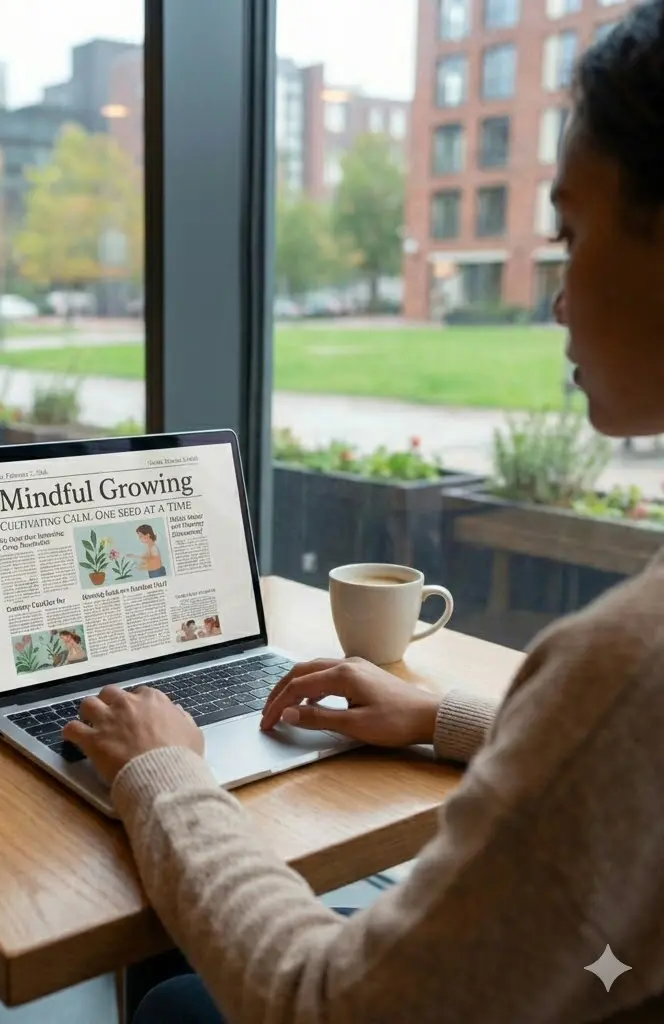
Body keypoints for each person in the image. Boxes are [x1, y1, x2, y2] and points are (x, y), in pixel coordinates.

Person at [62, 7, 664, 1021]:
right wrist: (439, 717)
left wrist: (163, 774)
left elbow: (322, 1005)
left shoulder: (626, 664)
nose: (558, 295)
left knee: (170, 1004)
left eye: (570, 229)